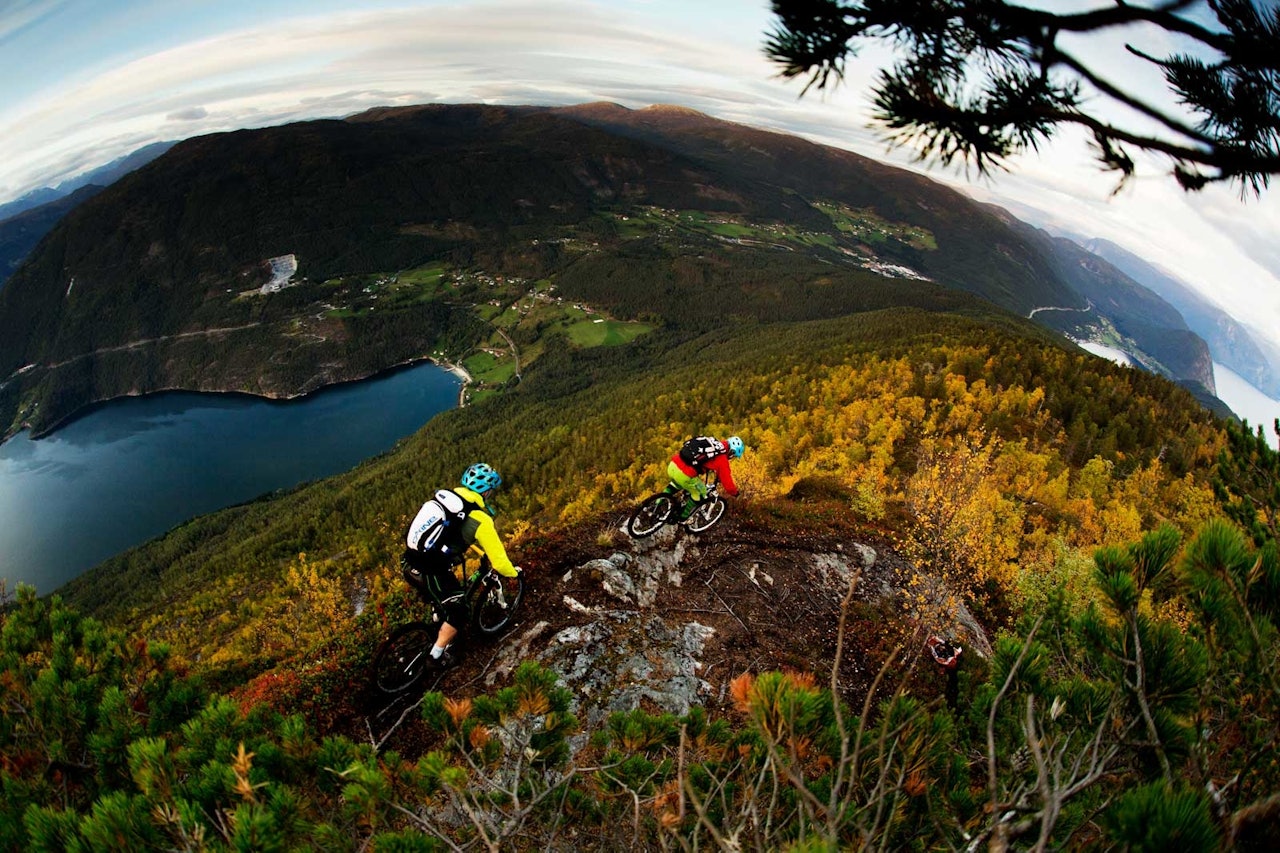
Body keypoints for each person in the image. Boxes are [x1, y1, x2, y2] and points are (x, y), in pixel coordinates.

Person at [401, 462, 521, 669]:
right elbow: (500, 563)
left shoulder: (449, 499)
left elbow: (453, 534)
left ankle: (438, 621)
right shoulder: (481, 520)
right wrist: (513, 573)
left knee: (444, 597)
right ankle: (436, 656)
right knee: (460, 611)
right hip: (431, 572)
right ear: (487, 491)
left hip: (409, 562)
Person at [668, 435, 744, 518]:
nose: (732, 457)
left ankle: (656, 503)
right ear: (731, 452)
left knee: (675, 485)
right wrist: (735, 493)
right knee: (700, 493)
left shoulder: (713, 444)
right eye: (734, 455)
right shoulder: (722, 459)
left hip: (672, 465)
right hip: (684, 474)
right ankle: (683, 517)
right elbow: (727, 482)